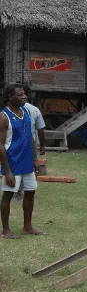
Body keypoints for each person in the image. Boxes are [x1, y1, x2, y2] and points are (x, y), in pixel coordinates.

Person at [0, 83, 44, 238]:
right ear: (11, 97)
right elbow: (1, 146)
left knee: (30, 193)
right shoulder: (3, 117)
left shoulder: (26, 111)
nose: (24, 97)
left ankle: (28, 227)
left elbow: (31, 136)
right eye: (20, 95)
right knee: (8, 194)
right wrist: (8, 171)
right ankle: (6, 231)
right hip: (12, 164)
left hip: (27, 162)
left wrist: (35, 158)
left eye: (24, 94)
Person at [22, 84, 45, 157]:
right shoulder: (35, 110)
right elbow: (40, 129)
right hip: (30, 144)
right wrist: (42, 146)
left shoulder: (10, 109)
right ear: (29, 95)